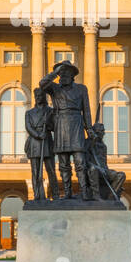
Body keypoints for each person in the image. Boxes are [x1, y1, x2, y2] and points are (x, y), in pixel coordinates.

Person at [38, 60, 93, 199]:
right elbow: (42, 84)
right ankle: (67, 193)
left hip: (76, 123)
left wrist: (89, 128)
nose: (63, 75)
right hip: (60, 123)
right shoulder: (55, 88)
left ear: (72, 75)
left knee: (80, 161)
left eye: (66, 72)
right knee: (63, 164)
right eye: (61, 73)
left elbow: (86, 110)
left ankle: (84, 191)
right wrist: (54, 73)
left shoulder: (81, 89)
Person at [24, 86, 58, 201]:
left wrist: (48, 124)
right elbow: (28, 127)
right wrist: (38, 135)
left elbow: (55, 127)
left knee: (51, 170)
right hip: (35, 142)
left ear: (44, 97)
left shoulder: (50, 111)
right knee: (35, 171)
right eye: (37, 96)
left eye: (40, 96)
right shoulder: (29, 113)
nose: (38, 98)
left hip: (47, 141)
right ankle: (38, 195)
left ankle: (56, 195)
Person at [83, 122, 126, 200]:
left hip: (103, 171)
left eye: (103, 131)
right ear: (96, 132)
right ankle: (95, 195)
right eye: (101, 131)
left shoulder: (103, 146)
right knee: (93, 169)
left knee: (121, 175)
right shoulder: (87, 143)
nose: (103, 133)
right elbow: (85, 161)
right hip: (93, 170)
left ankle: (110, 196)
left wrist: (107, 171)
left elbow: (104, 163)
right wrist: (92, 141)